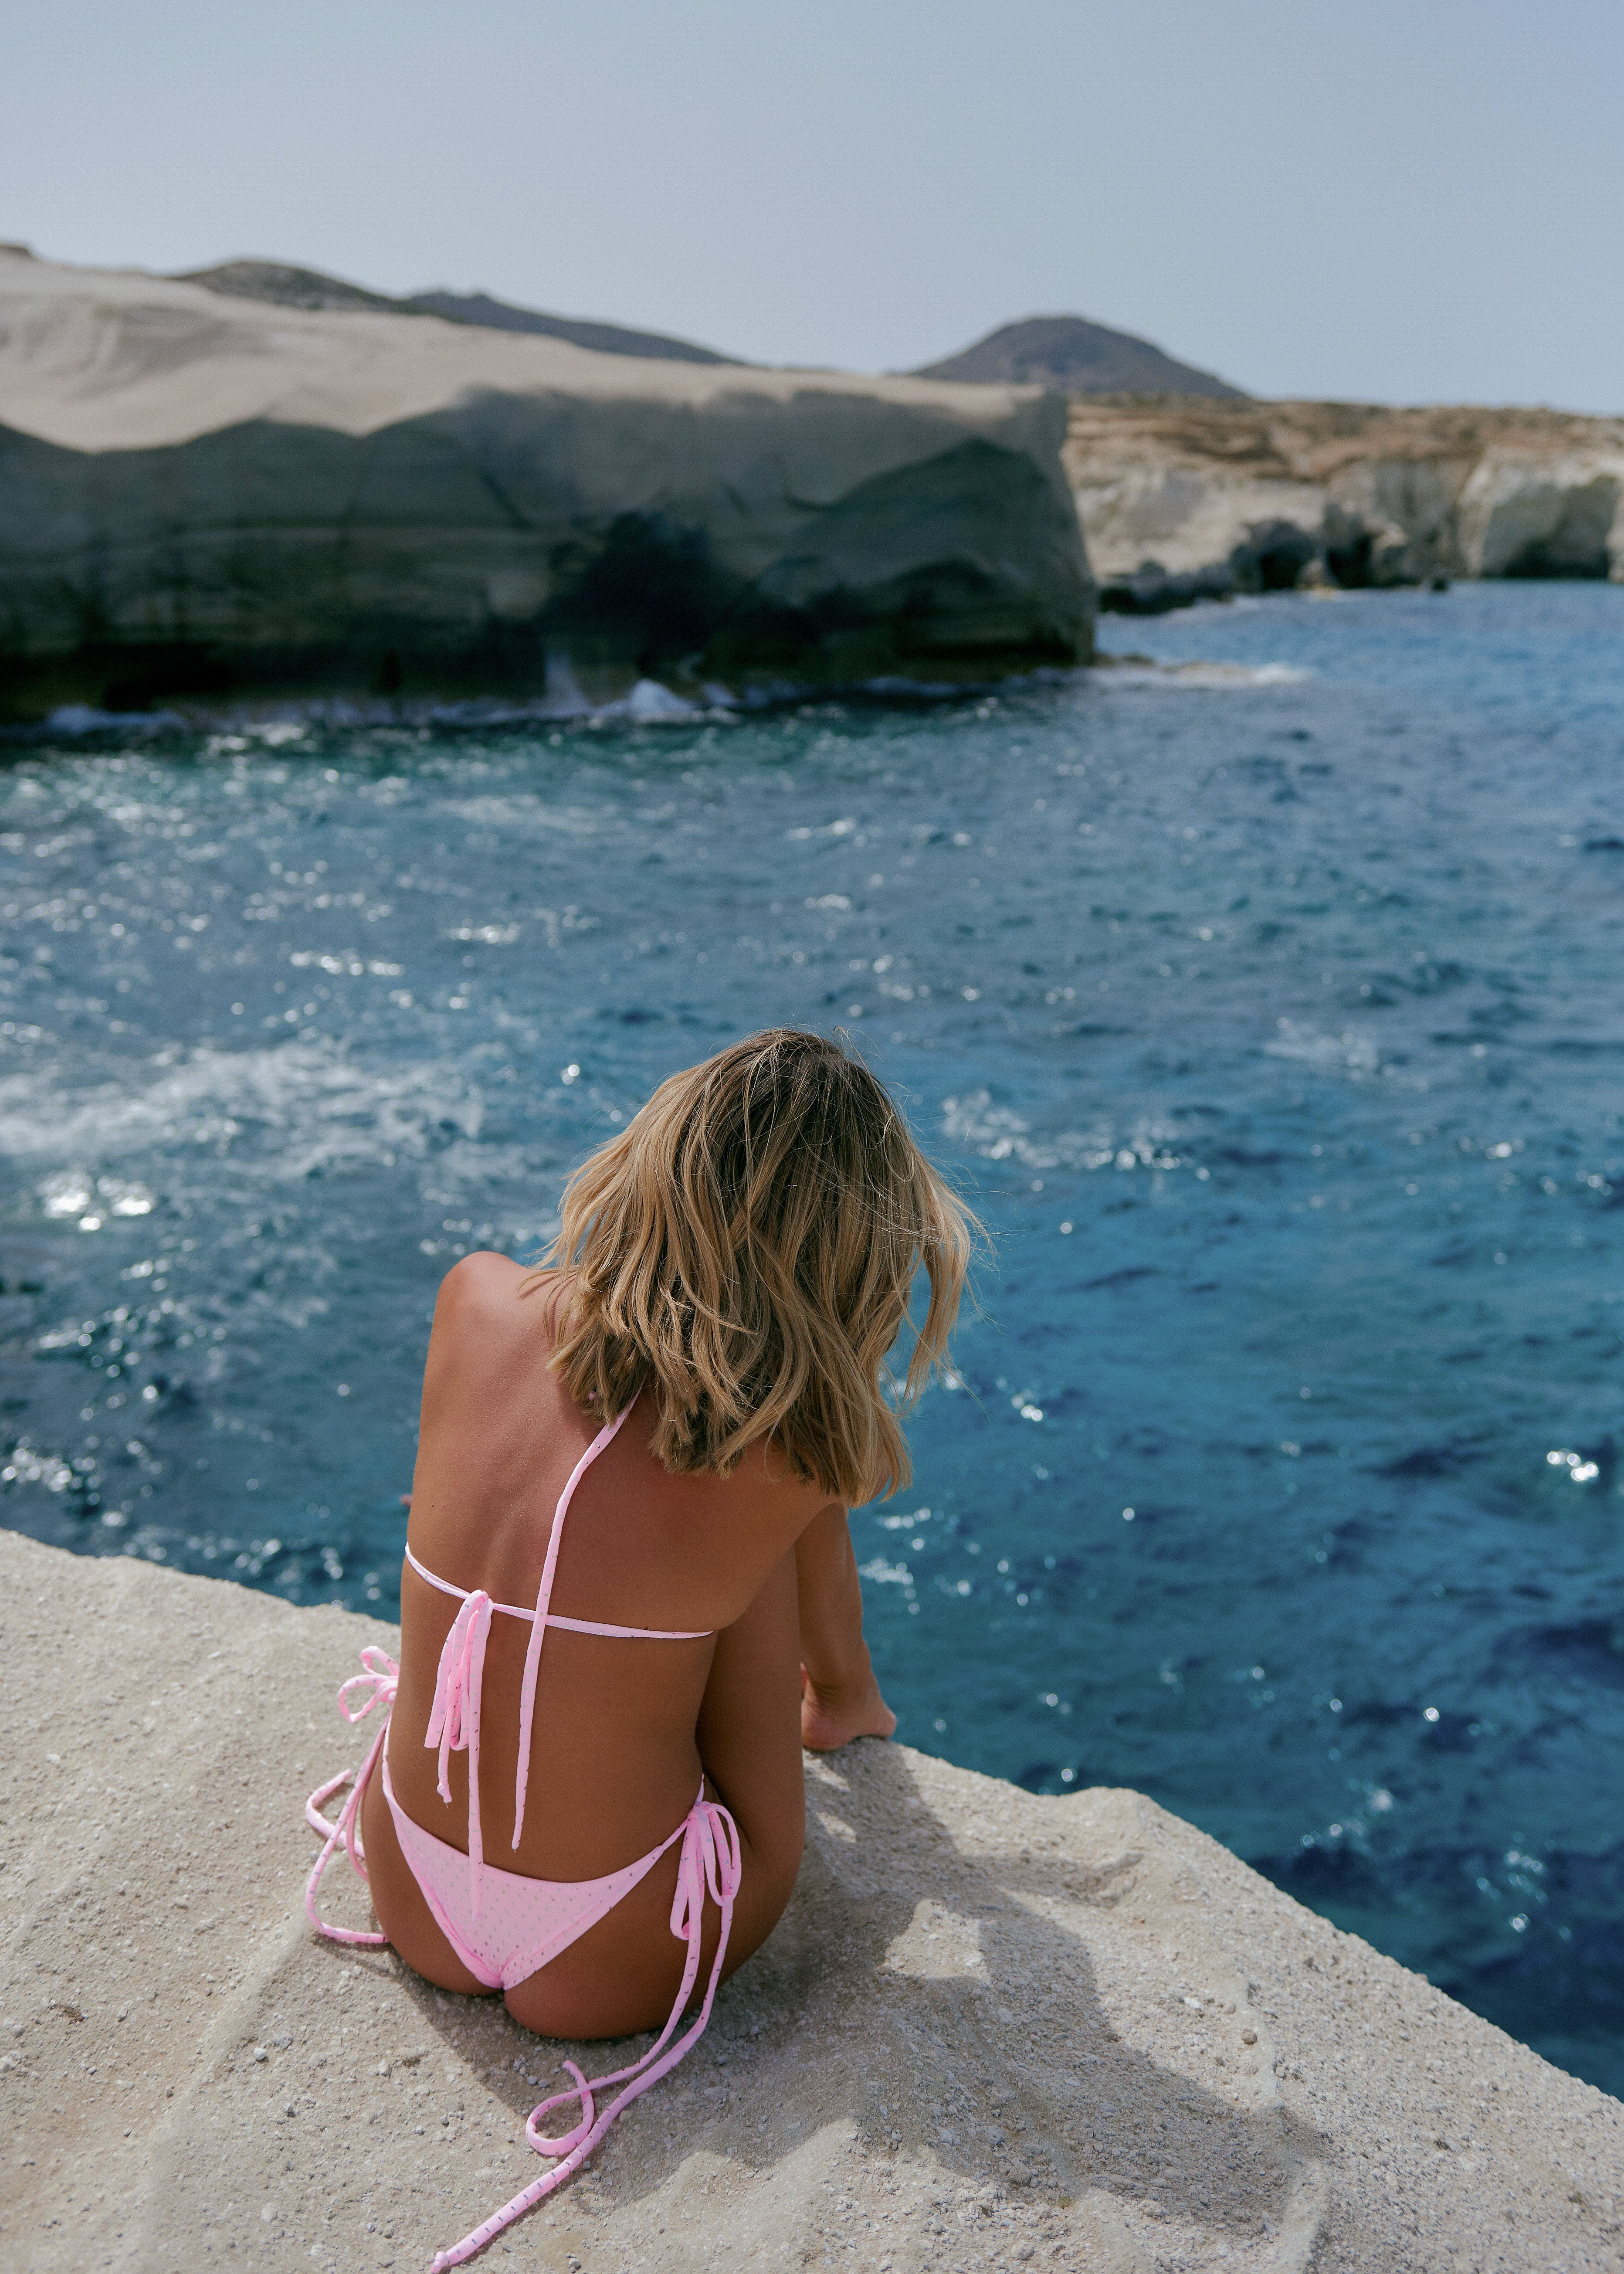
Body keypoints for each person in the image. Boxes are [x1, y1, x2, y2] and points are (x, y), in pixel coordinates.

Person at [304, 1028, 973, 2268]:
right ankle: (853, 1701)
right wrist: (838, 1685)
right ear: (854, 1247)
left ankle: (829, 1692)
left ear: (644, 1165)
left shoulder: (473, 1297)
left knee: (716, 1498)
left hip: (408, 1879)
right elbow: (785, 1464)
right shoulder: (787, 1460)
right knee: (767, 1495)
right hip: (616, 1953)